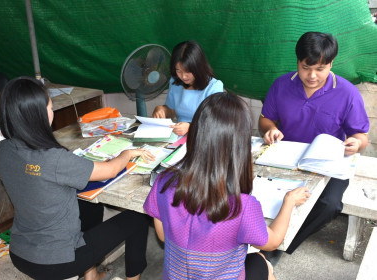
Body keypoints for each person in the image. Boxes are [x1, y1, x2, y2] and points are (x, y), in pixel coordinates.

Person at [0, 76, 155, 280]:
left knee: (91, 207)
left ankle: (91, 276)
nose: (52, 113)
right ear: (38, 115)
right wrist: (126, 154)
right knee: (137, 219)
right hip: (57, 261)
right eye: (51, 108)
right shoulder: (53, 158)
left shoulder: (3, 149)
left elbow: (32, 174)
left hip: (21, 252)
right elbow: (108, 171)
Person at [144, 92, 310, 279]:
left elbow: (163, 236)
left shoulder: (163, 183)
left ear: (196, 135)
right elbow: (273, 242)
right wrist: (288, 202)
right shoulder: (242, 205)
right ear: (239, 146)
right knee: (261, 261)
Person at [259, 32, 369, 255]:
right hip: (287, 157)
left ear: (331, 64)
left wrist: (355, 144)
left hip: (329, 163)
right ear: (297, 61)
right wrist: (270, 129)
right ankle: (265, 235)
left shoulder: (347, 93)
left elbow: (361, 136)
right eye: (305, 67)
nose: (311, 75)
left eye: (320, 69)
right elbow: (265, 119)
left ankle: (282, 243)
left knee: (330, 205)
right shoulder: (281, 85)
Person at [152, 40, 224, 136]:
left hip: (203, 138)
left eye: (188, 71)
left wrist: (190, 127)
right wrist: (162, 110)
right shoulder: (175, 82)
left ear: (198, 66)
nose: (183, 76)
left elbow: (216, 123)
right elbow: (172, 110)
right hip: (179, 137)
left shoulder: (214, 86)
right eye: (178, 70)